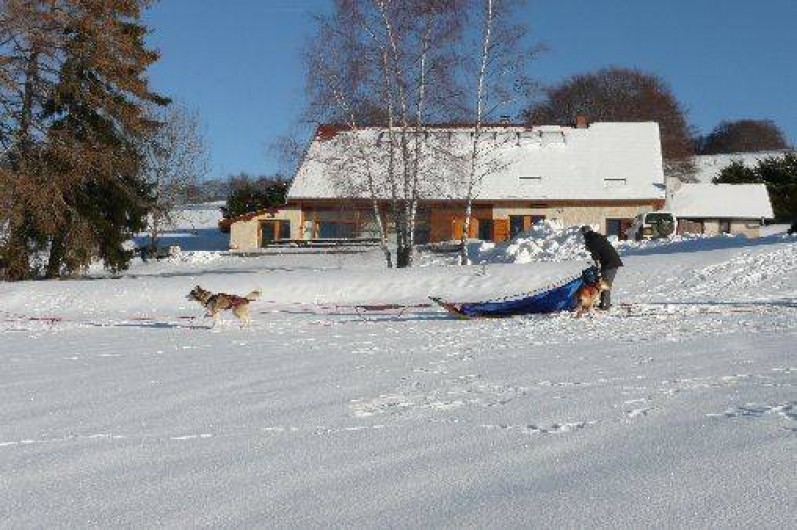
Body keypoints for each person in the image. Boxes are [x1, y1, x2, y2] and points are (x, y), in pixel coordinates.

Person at [580, 225, 623, 310]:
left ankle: (605, 305)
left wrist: (597, 267)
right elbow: (599, 251)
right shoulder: (597, 236)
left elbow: (596, 256)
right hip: (611, 262)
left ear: (584, 234)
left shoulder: (591, 240)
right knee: (603, 283)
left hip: (610, 264)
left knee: (604, 284)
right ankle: (604, 303)